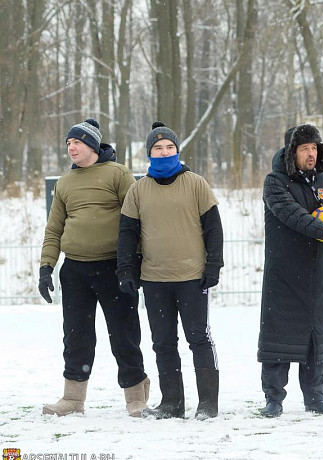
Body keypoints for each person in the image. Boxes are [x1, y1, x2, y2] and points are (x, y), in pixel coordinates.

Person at [38, 118, 150, 417]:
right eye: (68, 144)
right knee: (76, 336)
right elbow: (54, 229)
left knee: (124, 335)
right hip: (74, 271)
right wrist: (46, 266)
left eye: (76, 142)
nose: (71, 147)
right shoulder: (64, 183)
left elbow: (135, 219)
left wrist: (134, 263)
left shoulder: (117, 173)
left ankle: (136, 396)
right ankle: (73, 399)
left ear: (91, 144)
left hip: (114, 268)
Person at [117, 122, 224, 420]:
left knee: (198, 338)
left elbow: (214, 228)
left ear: (177, 150)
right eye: (157, 148)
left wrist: (214, 264)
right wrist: (125, 271)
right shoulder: (139, 190)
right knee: (163, 342)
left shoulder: (195, 183)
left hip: (192, 277)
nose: (164, 152)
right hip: (154, 280)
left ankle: (207, 405)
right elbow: (127, 234)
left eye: (169, 147)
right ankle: (172, 404)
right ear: (149, 153)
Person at [258, 124, 323, 418]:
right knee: (279, 337)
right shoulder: (274, 182)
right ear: (292, 153)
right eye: (304, 149)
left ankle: (316, 397)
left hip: (316, 275)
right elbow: (293, 216)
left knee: (315, 337)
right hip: (283, 274)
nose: (311, 153)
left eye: (314, 147)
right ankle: (273, 398)